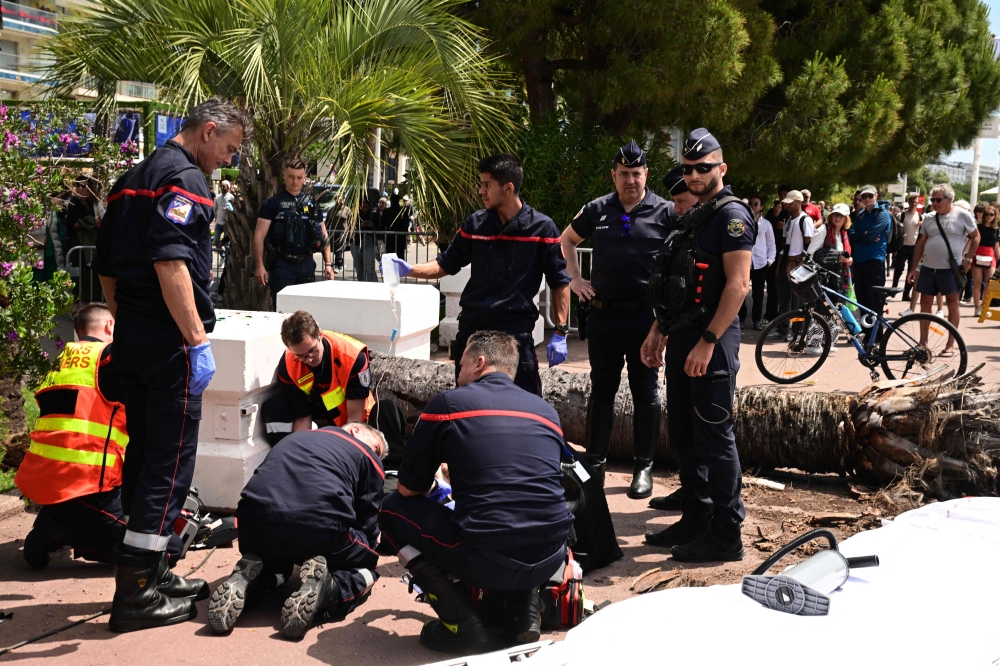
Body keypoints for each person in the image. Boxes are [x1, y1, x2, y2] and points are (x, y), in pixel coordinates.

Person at [93, 96, 248, 632]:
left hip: (134, 337)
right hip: (168, 344)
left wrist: (125, 320)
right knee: (169, 462)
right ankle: (136, 593)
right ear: (207, 132)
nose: (229, 158)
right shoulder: (185, 180)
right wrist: (196, 339)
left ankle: (151, 571)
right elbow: (171, 261)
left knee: (143, 457)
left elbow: (106, 266)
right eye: (229, 147)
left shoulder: (129, 179)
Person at [379, 331, 574, 653]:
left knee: (391, 508)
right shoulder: (546, 412)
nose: (457, 372)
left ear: (479, 363)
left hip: (486, 557)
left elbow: (407, 488)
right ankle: (526, 611)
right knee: (522, 517)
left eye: (461, 363)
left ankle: (461, 622)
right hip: (551, 556)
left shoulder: (448, 404)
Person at [640, 128, 754, 563]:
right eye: (689, 169)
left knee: (714, 439)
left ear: (721, 169)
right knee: (685, 436)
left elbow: (738, 284)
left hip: (712, 343)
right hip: (684, 338)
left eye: (703, 168)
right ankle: (698, 514)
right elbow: (677, 285)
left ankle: (727, 533)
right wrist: (658, 330)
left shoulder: (731, 216)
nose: (694, 175)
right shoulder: (694, 215)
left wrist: (708, 341)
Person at [383, 154, 571, 396]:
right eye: (481, 184)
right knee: (469, 403)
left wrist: (560, 331)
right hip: (474, 332)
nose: (481, 191)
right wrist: (409, 269)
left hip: (514, 334)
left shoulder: (542, 228)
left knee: (522, 404)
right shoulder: (475, 224)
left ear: (508, 188)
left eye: (487, 185)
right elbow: (445, 264)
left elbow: (559, 281)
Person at [559, 140, 673, 498]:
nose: (630, 180)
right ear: (614, 175)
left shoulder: (666, 211)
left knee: (645, 392)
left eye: (636, 174)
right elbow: (565, 241)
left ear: (646, 175)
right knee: (602, 390)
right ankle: (594, 465)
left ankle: (644, 466)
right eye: (623, 174)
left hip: (645, 319)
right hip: (605, 317)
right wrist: (575, 279)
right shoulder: (597, 209)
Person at [208, 422, 387, 638]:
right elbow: (367, 521)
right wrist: (367, 549)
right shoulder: (366, 456)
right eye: (376, 448)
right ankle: (330, 591)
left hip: (253, 524)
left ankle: (254, 580)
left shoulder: (294, 438)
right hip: (320, 527)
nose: (376, 455)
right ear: (355, 430)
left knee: (277, 563)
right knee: (367, 565)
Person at [16, 304, 127, 569]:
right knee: (161, 551)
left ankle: (55, 521)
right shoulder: (108, 358)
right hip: (90, 484)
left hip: (46, 478)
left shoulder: (60, 362)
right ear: (110, 326)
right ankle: (71, 531)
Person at [261, 310, 375, 441]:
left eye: (312, 351)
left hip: (357, 423)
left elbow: (355, 419)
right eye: (300, 356)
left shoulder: (352, 358)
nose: (309, 359)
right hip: (320, 417)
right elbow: (303, 416)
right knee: (275, 406)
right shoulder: (288, 365)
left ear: (320, 334)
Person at [906, 183, 979, 354]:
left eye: (938, 199)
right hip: (928, 268)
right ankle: (923, 342)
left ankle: (950, 344)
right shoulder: (930, 217)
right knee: (925, 304)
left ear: (949, 199)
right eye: (933, 199)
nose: (934, 203)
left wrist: (968, 259)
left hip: (950, 270)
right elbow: (921, 243)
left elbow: (976, 237)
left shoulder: (963, 215)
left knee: (952, 304)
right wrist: (913, 268)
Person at [253, 158, 335, 309]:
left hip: (307, 265)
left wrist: (328, 264)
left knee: (305, 313)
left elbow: (323, 235)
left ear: (304, 178)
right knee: (283, 312)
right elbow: (259, 235)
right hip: (283, 266)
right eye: (291, 176)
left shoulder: (312, 204)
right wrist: (259, 266)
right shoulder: (273, 204)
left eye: (299, 177)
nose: (295, 181)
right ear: (284, 175)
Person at [805, 203, 854, 354]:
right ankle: (812, 345)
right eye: (836, 214)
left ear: (846, 218)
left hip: (839, 278)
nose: (838, 217)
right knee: (821, 309)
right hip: (823, 278)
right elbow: (810, 254)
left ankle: (829, 342)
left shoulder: (844, 234)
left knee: (835, 309)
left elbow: (843, 254)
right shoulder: (823, 230)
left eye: (841, 215)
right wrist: (836, 258)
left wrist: (848, 259)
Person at [769, 190, 813, 339]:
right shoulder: (788, 220)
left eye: (790, 202)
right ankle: (782, 329)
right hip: (784, 261)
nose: (786, 204)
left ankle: (797, 331)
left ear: (799, 202)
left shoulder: (805, 220)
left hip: (797, 263)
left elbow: (809, 243)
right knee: (783, 298)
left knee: (797, 301)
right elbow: (786, 241)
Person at [848, 185, 891, 323]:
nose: (866, 199)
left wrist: (865, 235)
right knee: (861, 300)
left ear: (876, 196)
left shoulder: (882, 214)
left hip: (874, 261)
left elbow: (869, 238)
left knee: (874, 300)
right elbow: (851, 234)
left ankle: (876, 336)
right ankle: (866, 335)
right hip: (860, 261)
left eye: (870, 196)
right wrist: (865, 234)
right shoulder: (861, 215)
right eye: (864, 196)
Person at [739, 194, 775, 330]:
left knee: (758, 294)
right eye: (751, 204)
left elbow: (772, 244)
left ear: (761, 207)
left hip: (760, 263)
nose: (753, 206)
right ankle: (741, 319)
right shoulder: (742, 221)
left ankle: (756, 320)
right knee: (742, 292)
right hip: (744, 263)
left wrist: (769, 260)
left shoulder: (766, 224)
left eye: (756, 204)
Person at [892, 195, 922, 301]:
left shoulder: (920, 217)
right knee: (899, 268)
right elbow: (895, 230)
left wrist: (922, 224)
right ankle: (894, 289)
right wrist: (895, 247)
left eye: (916, 202)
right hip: (902, 246)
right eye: (912, 202)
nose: (914, 204)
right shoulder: (902, 215)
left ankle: (906, 294)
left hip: (914, 248)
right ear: (909, 202)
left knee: (911, 271)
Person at [972, 203, 1000, 317]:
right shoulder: (978, 228)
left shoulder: (997, 230)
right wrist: (966, 256)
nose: (989, 216)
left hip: (991, 255)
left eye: (992, 214)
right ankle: (976, 307)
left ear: (995, 216)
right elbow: (971, 242)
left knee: (990, 283)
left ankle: (984, 306)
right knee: (977, 282)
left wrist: (999, 259)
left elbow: (996, 246)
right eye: (987, 214)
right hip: (977, 254)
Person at [213, 180, 234, 249]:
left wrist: (229, 210)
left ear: (228, 187)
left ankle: (226, 259)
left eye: (224, 186)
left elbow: (235, 210)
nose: (222, 188)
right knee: (216, 241)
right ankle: (223, 256)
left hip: (227, 224)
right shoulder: (218, 197)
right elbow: (214, 209)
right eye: (221, 186)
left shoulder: (232, 197)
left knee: (226, 244)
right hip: (219, 223)